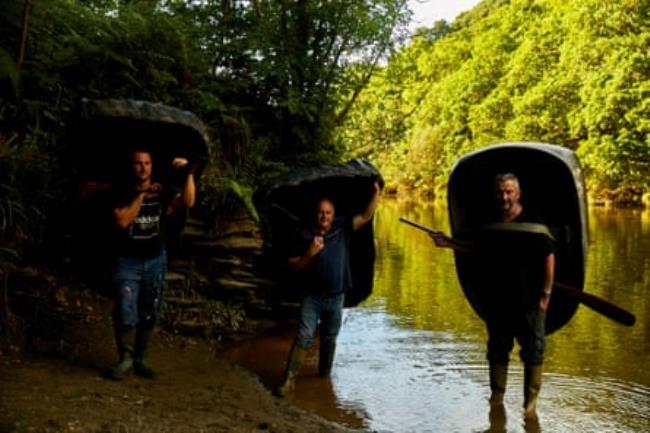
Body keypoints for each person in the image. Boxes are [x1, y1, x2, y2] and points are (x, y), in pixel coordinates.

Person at [431, 173, 555, 421]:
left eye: (509, 191)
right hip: (498, 301)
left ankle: (529, 408)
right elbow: (476, 251)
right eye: (500, 192)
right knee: (497, 351)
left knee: (534, 351)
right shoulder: (488, 223)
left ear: (517, 194)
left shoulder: (534, 222)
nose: (504, 196)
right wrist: (449, 243)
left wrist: (546, 293)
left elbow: (549, 257)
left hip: (530, 302)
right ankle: (496, 402)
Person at [274, 182, 381, 397]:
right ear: (316, 215)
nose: (324, 216)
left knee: (329, 338)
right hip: (311, 297)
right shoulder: (304, 234)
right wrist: (310, 254)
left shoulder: (343, 229)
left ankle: (323, 382)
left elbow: (366, 216)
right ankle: (288, 381)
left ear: (334, 215)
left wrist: (376, 193)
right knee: (304, 335)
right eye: (321, 213)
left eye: (328, 213)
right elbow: (293, 265)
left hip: (336, 297)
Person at [107, 150, 196, 380]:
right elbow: (123, 220)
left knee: (150, 311)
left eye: (147, 163)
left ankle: (141, 358)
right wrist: (142, 196)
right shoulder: (120, 190)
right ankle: (125, 359)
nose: (143, 168)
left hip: (156, 259)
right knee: (126, 309)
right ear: (131, 166)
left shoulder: (162, 190)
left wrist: (188, 174)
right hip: (127, 262)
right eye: (138, 163)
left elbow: (188, 202)